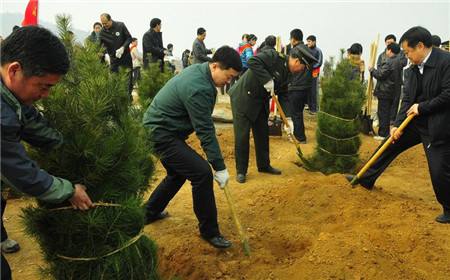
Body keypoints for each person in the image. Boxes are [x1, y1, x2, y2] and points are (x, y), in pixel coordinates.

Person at [1, 25, 93, 280]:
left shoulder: (9, 93)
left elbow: (28, 121)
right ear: (15, 70)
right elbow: (19, 172)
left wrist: (65, 144)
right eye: (43, 86)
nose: (46, 95)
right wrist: (69, 190)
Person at [347, 26, 450, 224]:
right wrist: (396, 124)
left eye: (408, 52)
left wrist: (422, 107)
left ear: (420, 46)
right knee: (389, 143)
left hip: (438, 125)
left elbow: (448, 94)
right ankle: (366, 178)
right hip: (415, 122)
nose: (407, 56)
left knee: (439, 170)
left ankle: (449, 208)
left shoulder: (445, 62)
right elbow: (407, 99)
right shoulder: (411, 69)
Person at [142, 46, 242, 249]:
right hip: (160, 133)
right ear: (215, 66)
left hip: (165, 130)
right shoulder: (199, 87)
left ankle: (148, 213)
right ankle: (210, 232)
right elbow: (205, 130)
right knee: (202, 173)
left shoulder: (201, 72)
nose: (229, 81)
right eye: (229, 76)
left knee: (177, 173)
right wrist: (219, 167)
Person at [229, 41, 317, 184]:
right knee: (242, 135)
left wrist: (288, 119)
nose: (301, 70)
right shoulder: (273, 56)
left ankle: (264, 165)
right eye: (302, 66)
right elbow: (253, 61)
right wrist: (267, 79)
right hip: (243, 97)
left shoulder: (289, 74)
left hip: (261, 101)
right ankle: (241, 171)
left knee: (262, 133)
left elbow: (284, 94)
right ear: (296, 60)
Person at [369, 43, 403, 140]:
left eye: (386, 50)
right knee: (388, 113)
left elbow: (380, 74)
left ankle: (383, 134)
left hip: (385, 91)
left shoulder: (389, 62)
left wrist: (372, 70)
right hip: (393, 91)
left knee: (383, 113)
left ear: (389, 50)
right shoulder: (399, 61)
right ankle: (386, 133)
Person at [287, 29, 313, 143]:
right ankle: (300, 135)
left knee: (295, 113)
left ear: (293, 38)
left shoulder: (294, 51)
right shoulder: (308, 50)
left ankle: (300, 138)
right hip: (306, 86)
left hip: (296, 85)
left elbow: (291, 68)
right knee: (299, 112)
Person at [99, 13, 133, 96]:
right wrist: (102, 53)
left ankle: (127, 101)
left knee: (127, 82)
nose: (104, 25)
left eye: (105, 23)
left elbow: (129, 38)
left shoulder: (120, 25)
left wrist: (123, 48)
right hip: (114, 61)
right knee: (115, 82)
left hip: (125, 59)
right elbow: (100, 46)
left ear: (110, 20)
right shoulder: (102, 32)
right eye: (102, 24)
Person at [306, 35, 323, 113]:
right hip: (307, 72)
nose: (308, 43)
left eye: (309, 41)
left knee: (313, 90)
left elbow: (319, 62)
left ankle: (314, 109)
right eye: (307, 41)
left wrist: (312, 67)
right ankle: (309, 106)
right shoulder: (306, 49)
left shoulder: (318, 51)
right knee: (308, 89)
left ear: (314, 42)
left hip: (314, 72)